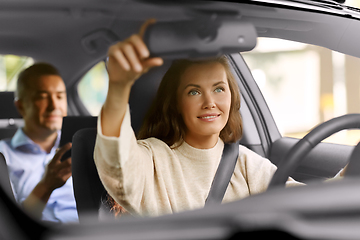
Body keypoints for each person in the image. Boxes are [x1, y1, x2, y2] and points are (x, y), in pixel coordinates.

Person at [94, 20, 305, 218]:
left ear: (232, 96)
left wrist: (340, 181)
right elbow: (117, 166)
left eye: (219, 89)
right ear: (176, 104)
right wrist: (118, 87)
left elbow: (304, 201)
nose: (209, 102)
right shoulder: (154, 158)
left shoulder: (248, 164)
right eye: (194, 92)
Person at [0, 63, 78, 223]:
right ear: (21, 106)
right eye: (42, 97)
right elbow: (9, 225)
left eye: (60, 96)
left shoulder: (82, 147)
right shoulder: (3, 156)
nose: (54, 106)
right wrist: (46, 185)